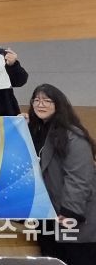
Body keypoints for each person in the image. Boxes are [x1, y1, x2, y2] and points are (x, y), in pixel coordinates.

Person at [28, 84, 96, 265]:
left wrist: (70, 212)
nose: (40, 104)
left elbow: (79, 178)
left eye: (47, 100)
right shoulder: (37, 131)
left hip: (71, 216)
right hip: (47, 217)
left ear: (58, 105)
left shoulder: (73, 135)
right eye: (36, 100)